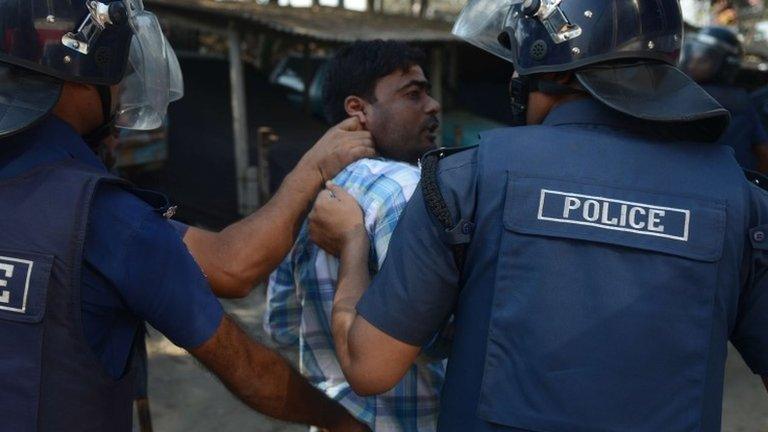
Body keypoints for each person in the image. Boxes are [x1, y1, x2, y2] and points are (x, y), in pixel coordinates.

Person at [308, 0, 768, 431]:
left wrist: (352, 241)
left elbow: (369, 367)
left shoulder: (465, 181)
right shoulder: (745, 203)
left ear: (542, 64)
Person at [0, 1, 374, 431]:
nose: (123, 86)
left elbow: (227, 264)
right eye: (120, 70)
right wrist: (345, 424)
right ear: (83, 76)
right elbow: (248, 368)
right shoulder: (108, 218)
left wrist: (311, 167)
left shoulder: (99, 214)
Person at [265, 40, 444, 431]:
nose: (432, 105)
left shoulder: (305, 192)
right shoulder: (408, 189)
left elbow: (280, 324)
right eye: (413, 94)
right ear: (358, 110)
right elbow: (441, 338)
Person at [680, 25, 768, 172]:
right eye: (693, 55)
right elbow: (763, 152)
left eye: (704, 60)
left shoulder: (683, 94)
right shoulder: (741, 100)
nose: (693, 63)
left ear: (726, 65)